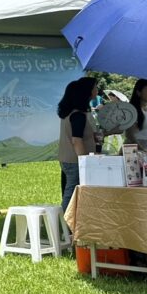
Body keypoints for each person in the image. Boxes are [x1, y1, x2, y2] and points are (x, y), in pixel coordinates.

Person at [57, 76, 99, 211]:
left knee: (72, 189)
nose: (97, 90)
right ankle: (66, 224)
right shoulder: (78, 115)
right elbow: (77, 140)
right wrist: (85, 162)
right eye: (95, 87)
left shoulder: (72, 113)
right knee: (72, 191)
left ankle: (69, 223)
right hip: (75, 160)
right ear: (87, 92)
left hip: (68, 159)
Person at [124, 79, 147, 155]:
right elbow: (129, 135)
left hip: (145, 147)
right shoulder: (132, 110)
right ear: (138, 92)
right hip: (134, 149)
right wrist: (142, 148)